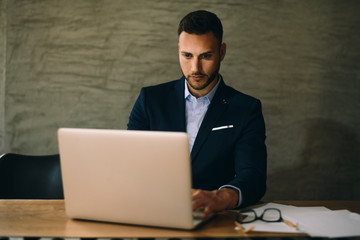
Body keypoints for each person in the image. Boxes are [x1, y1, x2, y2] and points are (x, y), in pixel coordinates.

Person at [127, 10, 267, 218]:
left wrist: (221, 197)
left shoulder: (246, 109)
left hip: (212, 218)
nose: (195, 68)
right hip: (151, 211)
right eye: (187, 55)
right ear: (178, 50)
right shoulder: (150, 100)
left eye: (206, 56)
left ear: (222, 52)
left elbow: (253, 176)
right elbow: (129, 162)